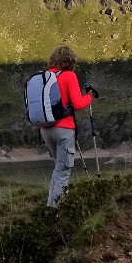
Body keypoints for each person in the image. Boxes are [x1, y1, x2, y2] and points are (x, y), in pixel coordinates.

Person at [40, 44, 95, 208]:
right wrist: (89, 97)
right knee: (63, 170)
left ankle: (51, 206)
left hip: (45, 129)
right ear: (70, 60)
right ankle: (56, 211)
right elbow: (78, 104)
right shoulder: (69, 76)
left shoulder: (45, 77)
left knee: (58, 167)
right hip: (64, 129)